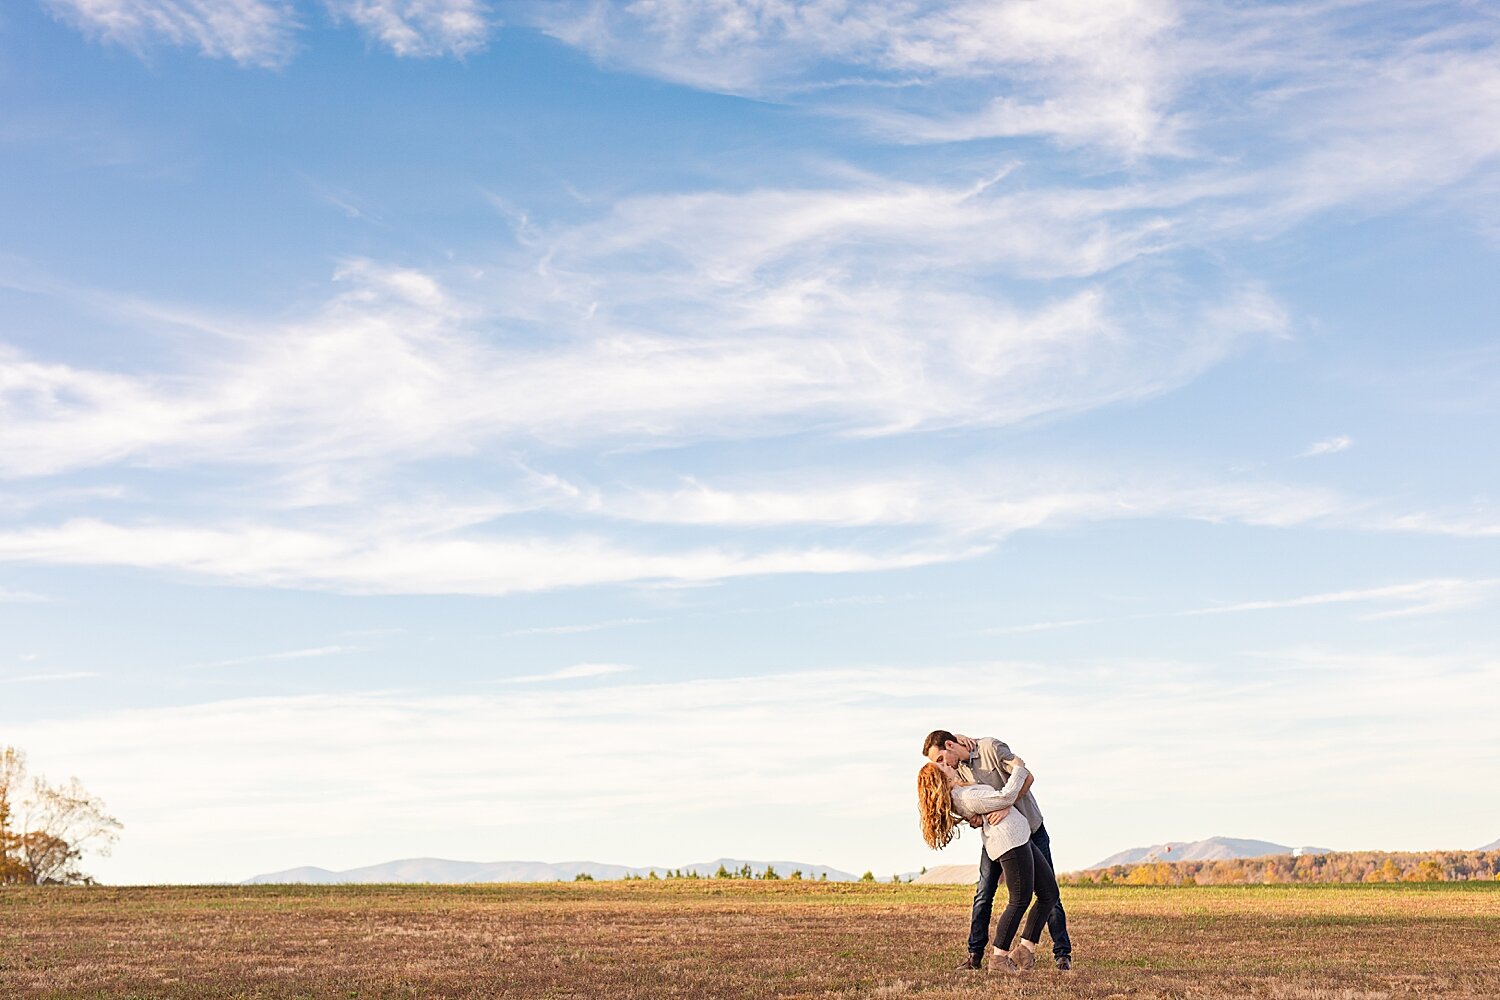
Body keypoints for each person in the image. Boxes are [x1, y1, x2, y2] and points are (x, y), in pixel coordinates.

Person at [923, 730, 1072, 971]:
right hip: (1002, 838)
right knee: (989, 894)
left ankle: (1057, 953)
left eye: (940, 759)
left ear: (950, 745)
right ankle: (981, 956)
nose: (943, 765)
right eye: (937, 764)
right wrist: (981, 814)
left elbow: (1027, 777)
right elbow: (975, 803)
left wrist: (1005, 804)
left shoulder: (988, 748)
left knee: (1049, 894)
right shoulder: (957, 773)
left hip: (1029, 827)